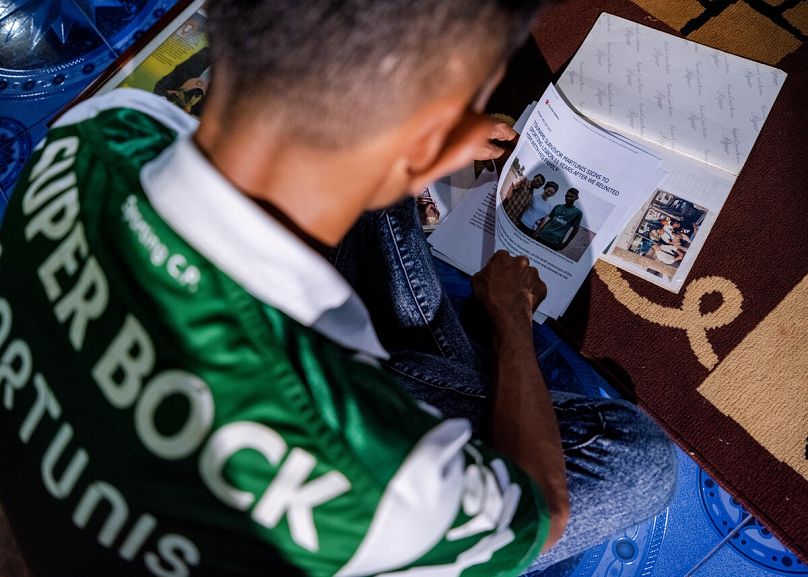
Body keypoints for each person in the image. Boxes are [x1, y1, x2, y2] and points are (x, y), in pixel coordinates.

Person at [0, 1, 676, 576]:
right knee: (641, 461)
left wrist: (416, 150)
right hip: (329, 487)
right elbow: (545, 511)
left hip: (111, 463)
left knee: (352, 174)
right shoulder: (369, 476)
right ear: (428, 147)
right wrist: (508, 321)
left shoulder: (94, 134)